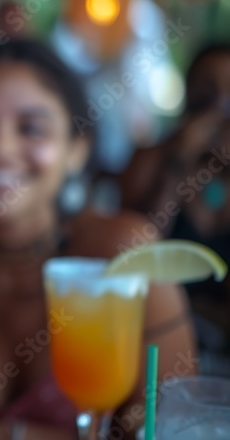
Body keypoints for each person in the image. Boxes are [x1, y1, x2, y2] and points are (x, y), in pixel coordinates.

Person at [0, 40, 195, 439]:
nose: (0, 149)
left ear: (76, 150)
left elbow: (175, 428)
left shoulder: (124, 254)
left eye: (31, 128)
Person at [120, 43, 230, 377]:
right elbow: (137, 253)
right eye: (208, 87)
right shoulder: (150, 158)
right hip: (153, 333)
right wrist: (178, 163)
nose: (221, 101)